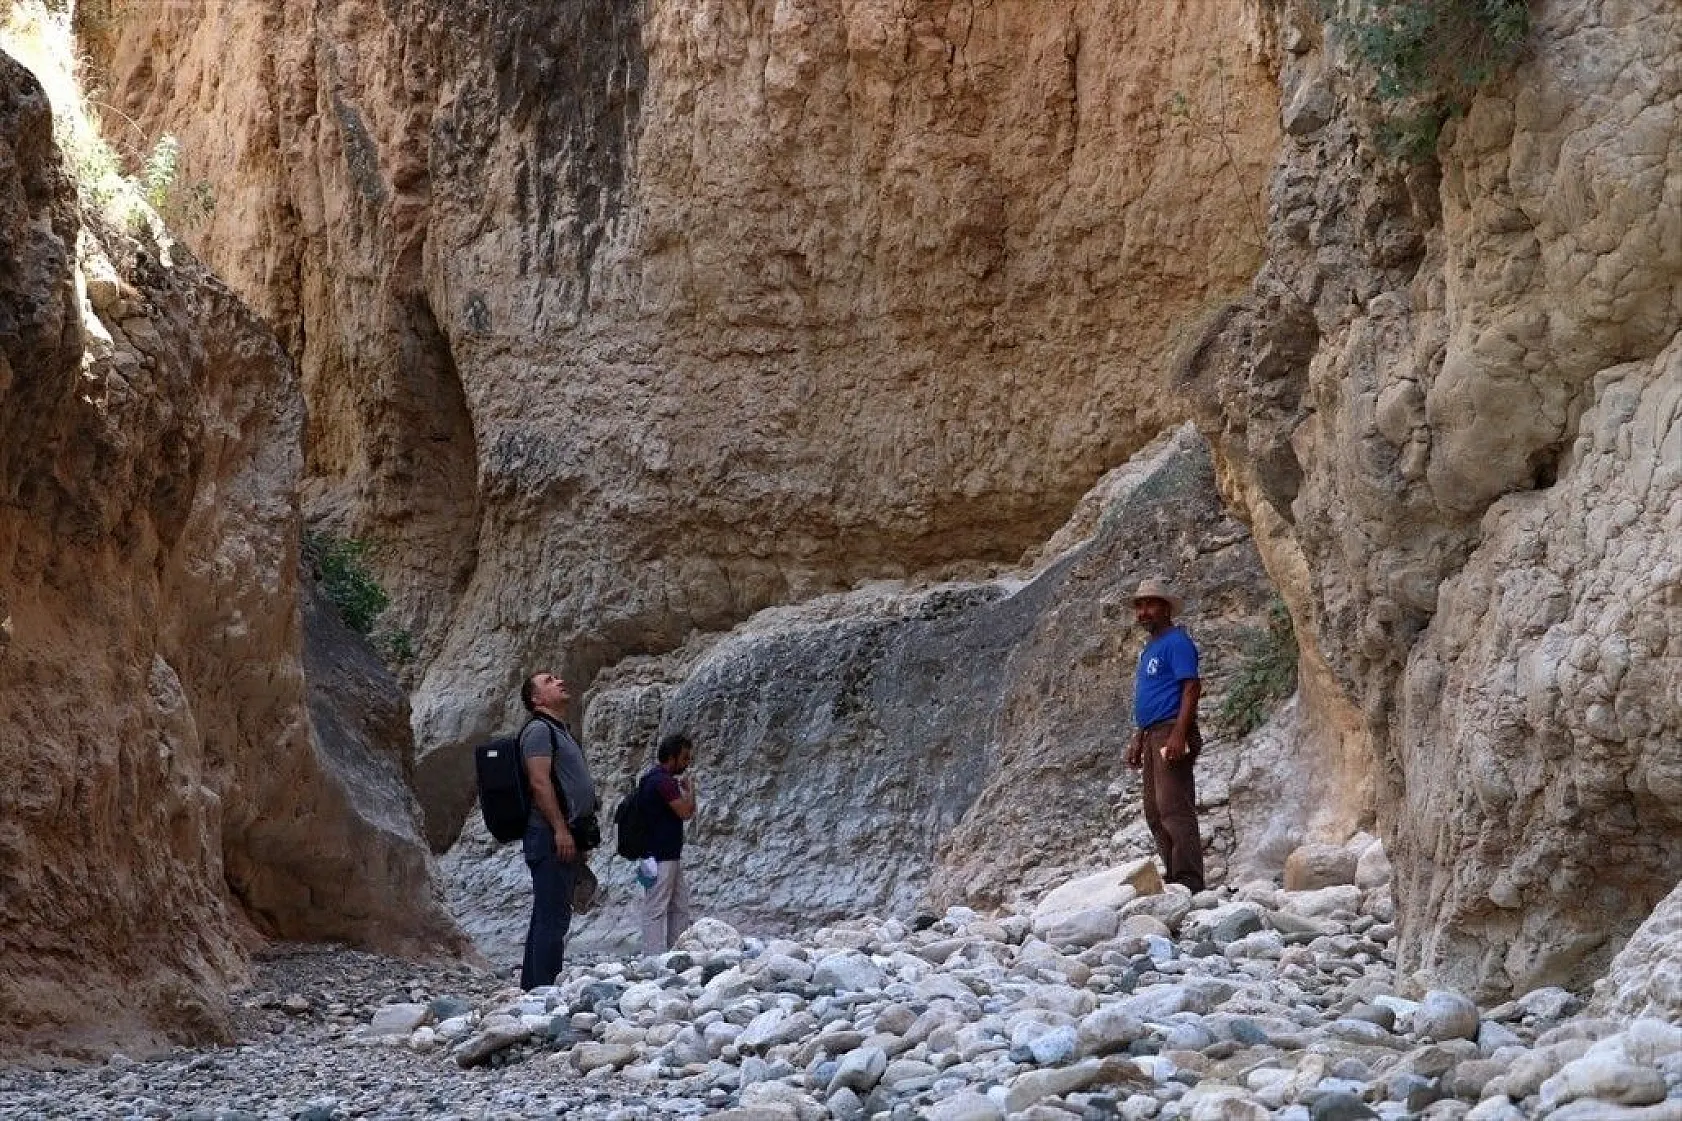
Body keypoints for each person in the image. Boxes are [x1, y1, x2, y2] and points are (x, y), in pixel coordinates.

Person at [518, 670, 599, 989]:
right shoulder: (539, 731)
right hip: (549, 836)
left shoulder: (557, 731)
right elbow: (539, 783)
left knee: (546, 914)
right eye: (549, 681)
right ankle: (544, 990)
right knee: (553, 918)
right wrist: (560, 830)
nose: (560, 681)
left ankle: (532, 988)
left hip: (560, 835)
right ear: (536, 699)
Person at [1124, 578, 1206, 892]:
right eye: (1139, 606)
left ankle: (1190, 882)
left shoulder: (1176, 642)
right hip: (1152, 734)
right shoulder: (1150, 650)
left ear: (1166, 607)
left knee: (1174, 807)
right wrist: (1139, 737)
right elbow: (1152, 696)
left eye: (1150, 605)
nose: (1143, 612)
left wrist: (1179, 734)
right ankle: (1174, 877)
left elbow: (1190, 687)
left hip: (1171, 730)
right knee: (1155, 810)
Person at [639, 732, 697, 955]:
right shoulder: (663, 782)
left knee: (677, 904)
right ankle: (653, 958)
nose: (686, 764)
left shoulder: (650, 778)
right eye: (684, 758)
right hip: (662, 856)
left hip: (652, 855)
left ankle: (674, 954)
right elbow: (685, 812)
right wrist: (690, 791)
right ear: (671, 757)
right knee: (658, 907)